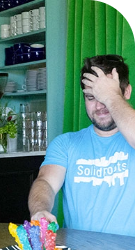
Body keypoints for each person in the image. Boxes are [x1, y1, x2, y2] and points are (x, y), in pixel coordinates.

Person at [28, 54, 135, 237]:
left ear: (126, 92)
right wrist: (40, 210)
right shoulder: (65, 143)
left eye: (107, 96)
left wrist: (110, 96)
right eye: (91, 97)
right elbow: (45, 181)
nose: (100, 106)